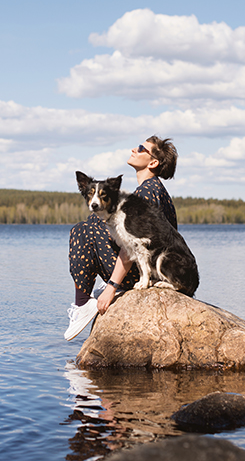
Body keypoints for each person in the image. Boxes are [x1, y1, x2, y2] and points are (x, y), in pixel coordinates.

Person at [65, 136, 178, 340]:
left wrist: (112, 287)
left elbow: (133, 245)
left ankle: (82, 304)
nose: (134, 149)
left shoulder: (146, 192)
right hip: (157, 269)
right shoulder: (156, 189)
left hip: (149, 272)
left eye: (142, 148)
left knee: (81, 230)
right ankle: (96, 291)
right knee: (98, 218)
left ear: (153, 162)